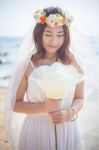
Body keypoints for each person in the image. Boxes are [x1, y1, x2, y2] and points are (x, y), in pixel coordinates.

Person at [5, 6, 84, 150]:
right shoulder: (28, 64)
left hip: (67, 129)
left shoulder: (72, 62)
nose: (55, 40)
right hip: (37, 131)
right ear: (39, 34)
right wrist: (42, 107)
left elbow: (79, 98)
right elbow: (15, 104)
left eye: (60, 34)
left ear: (66, 35)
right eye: (48, 33)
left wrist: (70, 112)